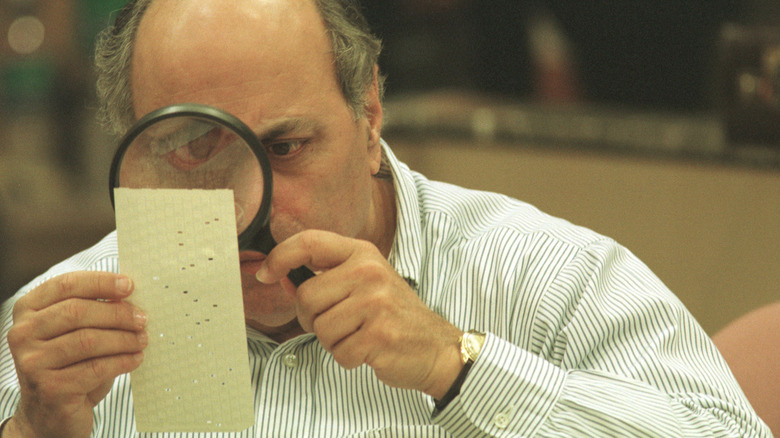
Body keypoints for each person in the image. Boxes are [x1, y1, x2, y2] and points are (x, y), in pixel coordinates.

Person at [0, 0, 772, 437]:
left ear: (369, 116)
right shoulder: (61, 333)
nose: (242, 212)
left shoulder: (547, 278)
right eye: (189, 156)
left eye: (286, 147)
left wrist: (457, 364)